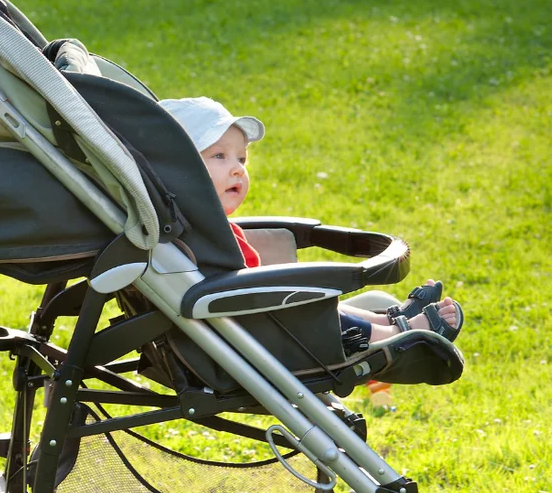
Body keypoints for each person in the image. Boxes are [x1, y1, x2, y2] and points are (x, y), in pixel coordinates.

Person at [159, 97, 463, 350]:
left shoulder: (195, 229)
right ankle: (400, 333)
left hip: (258, 320)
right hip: (264, 335)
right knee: (307, 302)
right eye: (220, 156)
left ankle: (391, 319)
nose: (238, 170)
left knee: (315, 305)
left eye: (242, 159)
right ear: (181, 170)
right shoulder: (200, 236)